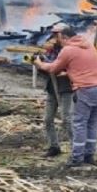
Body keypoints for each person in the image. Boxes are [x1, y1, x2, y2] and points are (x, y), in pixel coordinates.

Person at [35, 26, 97, 167]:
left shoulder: (68, 50)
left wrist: (39, 64)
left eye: (58, 37)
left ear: (64, 37)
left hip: (83, 89)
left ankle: (77, 158)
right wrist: (69, 72)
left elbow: (53, 68)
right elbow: (82, 65)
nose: (57, 40)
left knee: (79, 124)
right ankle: (89, 155)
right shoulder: (88, 45)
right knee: (91, 124)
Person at [40, 23, 74, 158]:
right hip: (51, 88)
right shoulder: (51, 50)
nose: (55, 37)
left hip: (65, 88)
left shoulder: (71, 50)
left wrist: (48, 65)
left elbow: (66, 67)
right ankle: (53, 146)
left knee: (67, 119)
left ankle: (76, 149)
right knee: (48, 119)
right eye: (54, 34)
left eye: (57, 34)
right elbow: (47, 69)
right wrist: (40, 64)